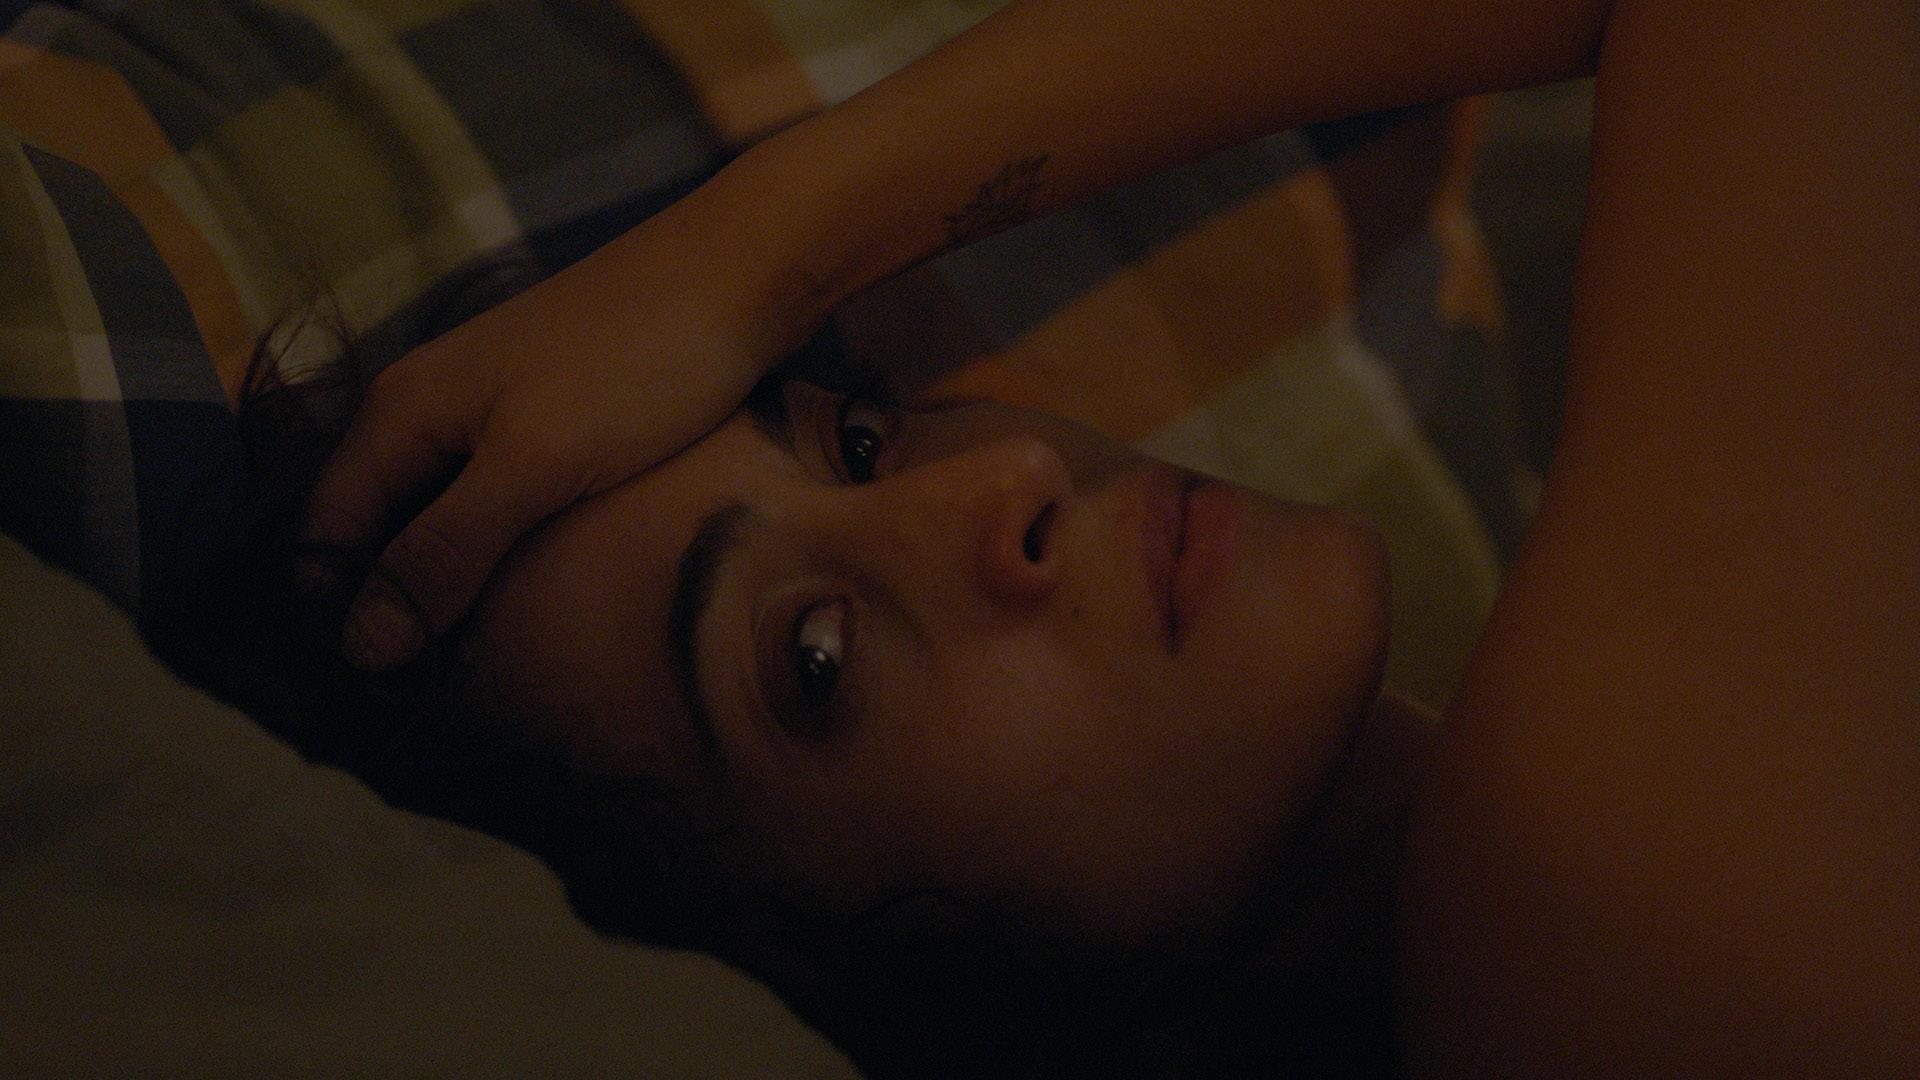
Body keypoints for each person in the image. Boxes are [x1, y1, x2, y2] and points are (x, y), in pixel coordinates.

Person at [269, 0, 1915, 1076]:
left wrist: (735, 269)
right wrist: (760, 245)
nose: (996, 483)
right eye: (817, 663)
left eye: (859, 440)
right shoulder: (1601, 935)